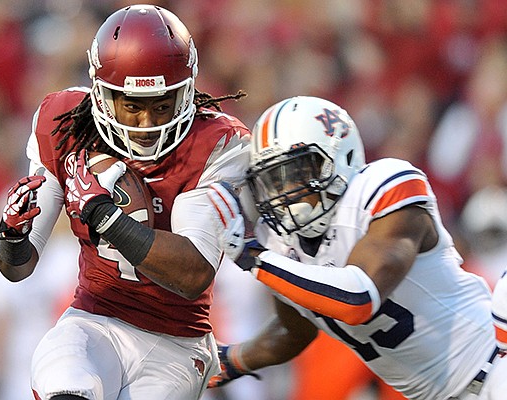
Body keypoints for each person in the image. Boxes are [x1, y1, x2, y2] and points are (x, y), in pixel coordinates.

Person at [0, 4, 251, 400]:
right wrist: (11, 237)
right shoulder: (63, 122)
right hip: (94, 319)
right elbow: (19, 268)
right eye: (133, 105)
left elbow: (192, 273)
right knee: (66, 382)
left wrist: (105, 216)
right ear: (102, 93)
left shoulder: (216, 143)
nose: (148, 124)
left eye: (162, 104)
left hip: (176, 342)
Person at [206, 96, 506, 399]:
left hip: (494, 371)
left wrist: (254, 257)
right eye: (274, 180)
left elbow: (358, 298)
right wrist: (234, 360)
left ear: (340, 158)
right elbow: (296, 329)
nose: (285, 192)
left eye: (298, 173)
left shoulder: (384, 188)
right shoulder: (279, 244)